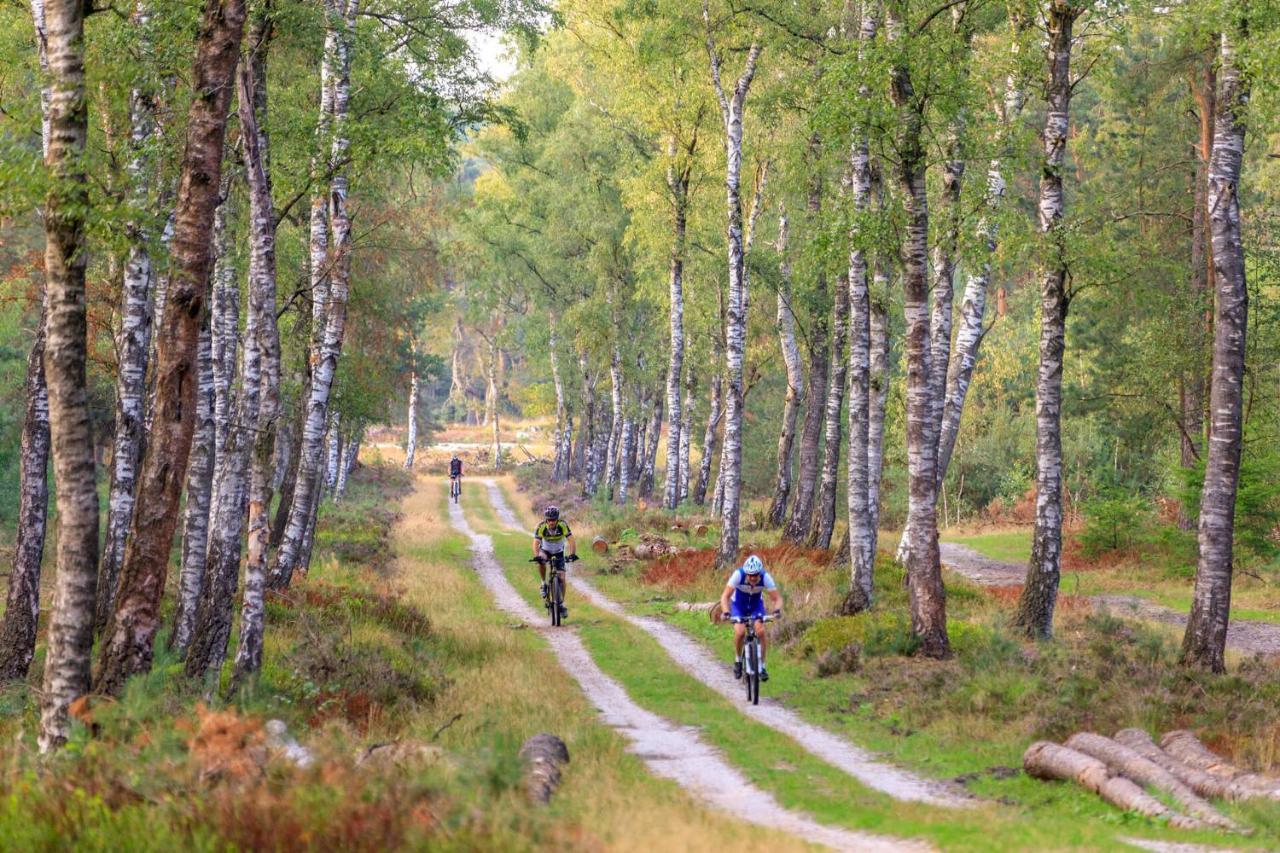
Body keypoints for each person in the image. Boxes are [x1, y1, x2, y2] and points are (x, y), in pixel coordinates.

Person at [718, 554, 782, 681]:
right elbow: (724, 597)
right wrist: (726, 612)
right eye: (750, 575)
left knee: (761, 630)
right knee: (740, 632)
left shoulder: (765, 577)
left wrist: (777, 610)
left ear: (760, 573)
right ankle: (737, 660)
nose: (753, 578)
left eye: (755, 575)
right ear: (746, 573)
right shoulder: (738, 575)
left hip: (756, 606)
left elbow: (777, 598)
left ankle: (762, 667)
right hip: (738, 606)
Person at [533, 505, 577, 616]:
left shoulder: (563, 525)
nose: (551, 522)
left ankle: (561, 603)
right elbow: (535, 543)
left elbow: (571, 540)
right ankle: (543, 583)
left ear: (557, 519)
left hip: (558, 552)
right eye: (549, 520)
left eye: (553, 520)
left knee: (562, 577)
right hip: (545, 550)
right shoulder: (541, 526)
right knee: (541, 560)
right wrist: (537, 555)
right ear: (546, 519)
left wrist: (572, 554)